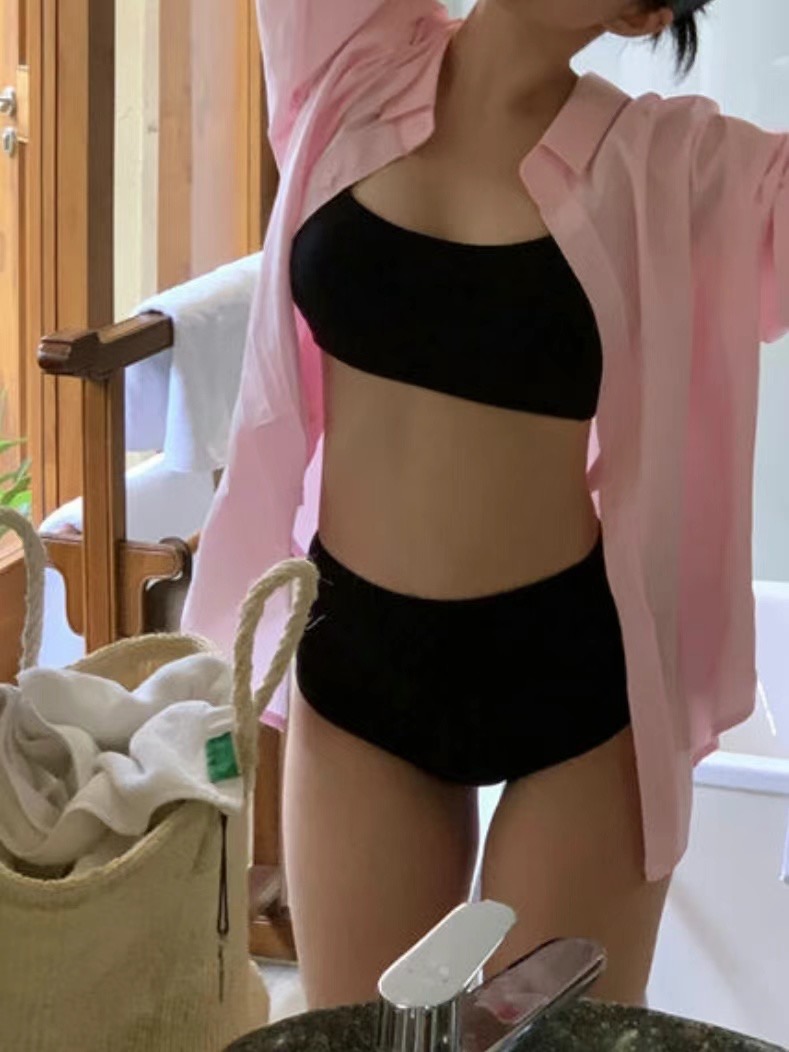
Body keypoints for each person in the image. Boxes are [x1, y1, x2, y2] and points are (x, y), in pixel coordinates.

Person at [182, 0, 789, 1010]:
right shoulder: (351, 66)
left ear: (641, 12)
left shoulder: (679, 169)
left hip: (570, 686)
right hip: (357, 659)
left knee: (545, 1043)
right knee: (361, 1037)